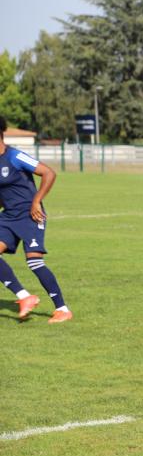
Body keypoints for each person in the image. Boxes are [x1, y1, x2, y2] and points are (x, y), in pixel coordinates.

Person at [0, 116, 72, 323]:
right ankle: (24, 297)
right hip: (8, 216)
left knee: (34, 261)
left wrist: (36, 201)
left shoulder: (15, 156)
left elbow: (48, 173)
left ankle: (63, 309)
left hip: (31, 214)